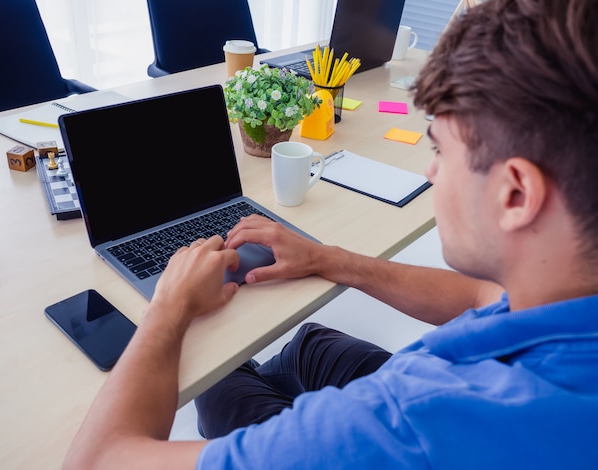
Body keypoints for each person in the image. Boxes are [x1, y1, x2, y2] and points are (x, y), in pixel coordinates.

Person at [63, 0, 598, 468]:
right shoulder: (564, 297)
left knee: (223, 383)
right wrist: (330, 259)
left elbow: (96, 462)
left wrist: (169, 307)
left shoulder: (409, 421)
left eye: (440, 149)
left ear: (516, 195)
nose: (432, 172)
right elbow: (487, 298)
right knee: (306, 344)